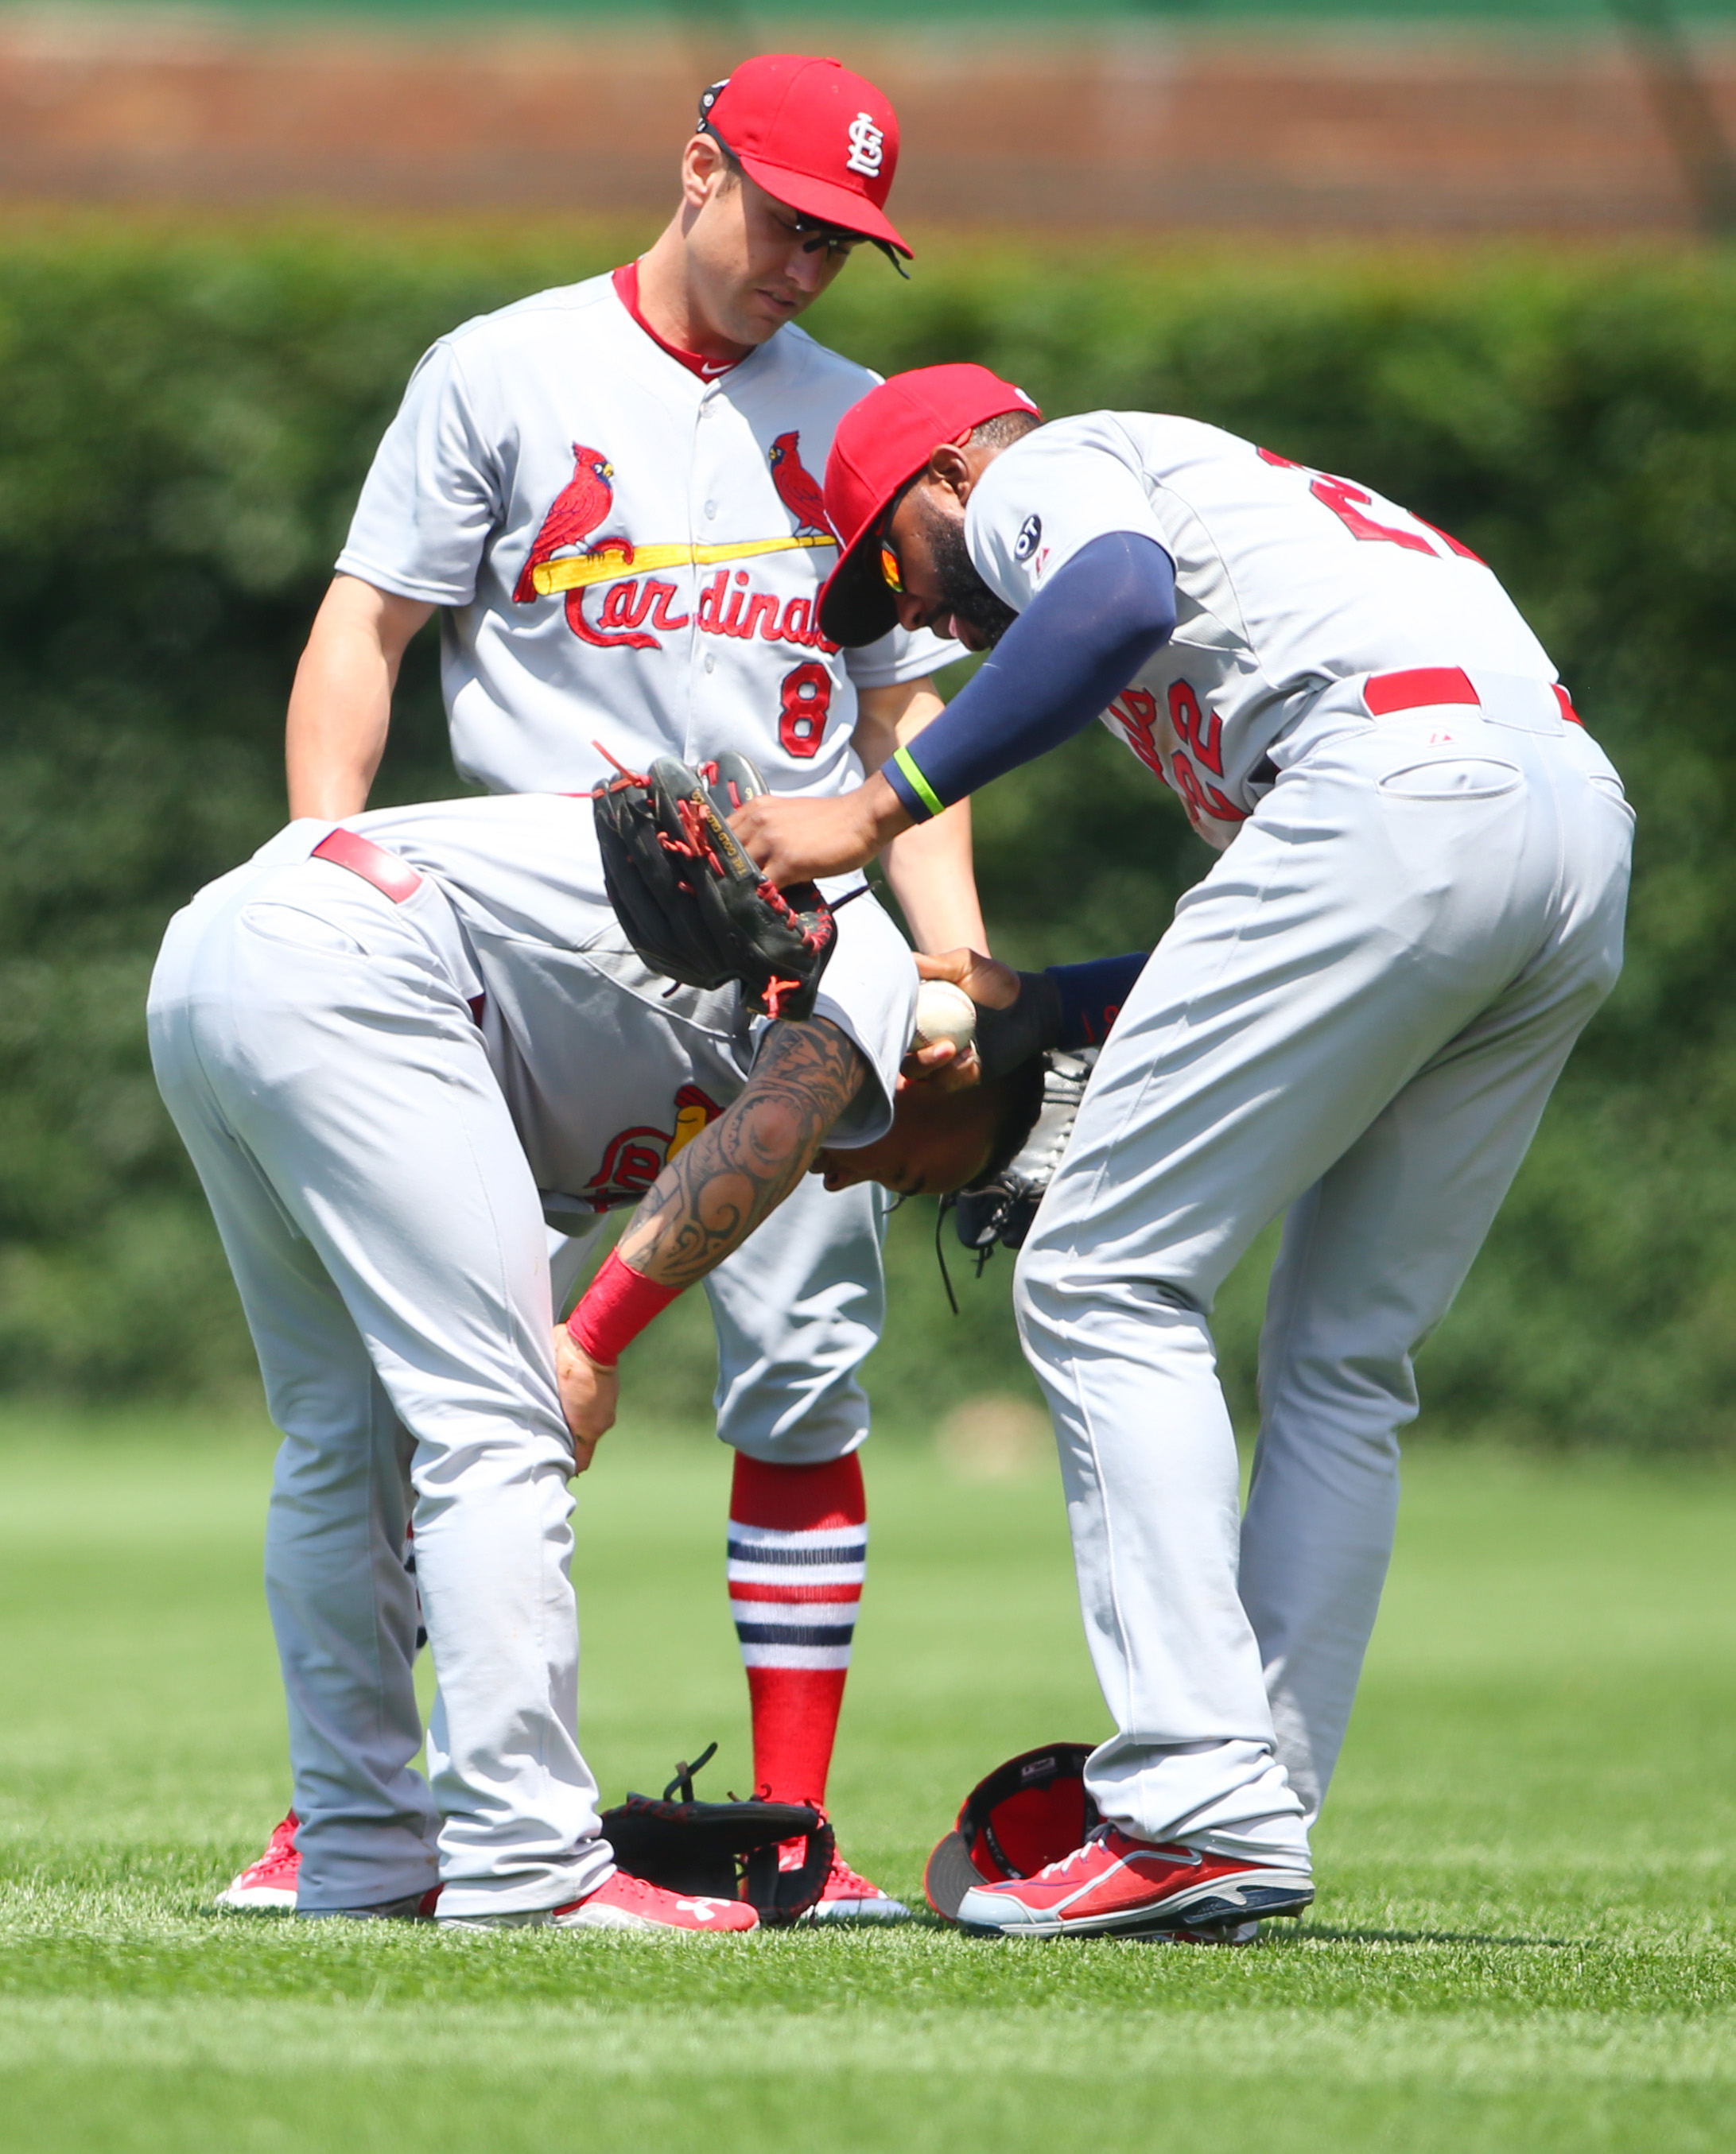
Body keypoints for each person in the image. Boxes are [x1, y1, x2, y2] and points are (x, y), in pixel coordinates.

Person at [730, 363, 1634, 1939]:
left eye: (884, 567)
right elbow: (1305, 941)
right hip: (1562, 834)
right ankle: (1249, 1801)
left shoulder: (1054, 471)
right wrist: (1021, 1008)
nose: (920, 620)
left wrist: (876, 812)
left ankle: (1201, 1793)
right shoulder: (1266, 523)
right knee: (1346, 1355)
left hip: (1404, 801)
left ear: (948, 476)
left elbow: (1115, 602)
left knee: (1099, 1274)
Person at [222, 52, 977, 1916]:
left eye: (849, 238)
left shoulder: (860, 417)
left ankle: (799, 1831)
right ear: (699, 167)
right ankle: (359, 1807)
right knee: (441, 1387)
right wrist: (328, 852)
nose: (816, 262)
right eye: (794, 217)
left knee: (804, 1374)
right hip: (531, 943)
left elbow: (906, 724)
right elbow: (366, 624)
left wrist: (947, 955)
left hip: (786, 951)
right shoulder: (505, 367)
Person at [151, 796, 1041, 1927]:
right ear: (946, 1069)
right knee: (502, 1424)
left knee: (343, 1435)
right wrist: (589, 1340)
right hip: (356, 954)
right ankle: (526, 1858)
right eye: (912, 1171)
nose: (857, 1178)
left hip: (222, 953)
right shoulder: (869, 955)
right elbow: (773, 1131)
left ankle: (361, 1850)